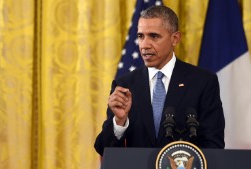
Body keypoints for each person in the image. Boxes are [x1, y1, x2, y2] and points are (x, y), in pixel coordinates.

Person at [94, 5, 225, 156]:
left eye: (154, 36)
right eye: (141, 36)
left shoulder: (203, 81)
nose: (144, 45)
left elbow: (214, 145)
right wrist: (119, 122)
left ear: (175, 38)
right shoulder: (124, 84)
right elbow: (103, 149)